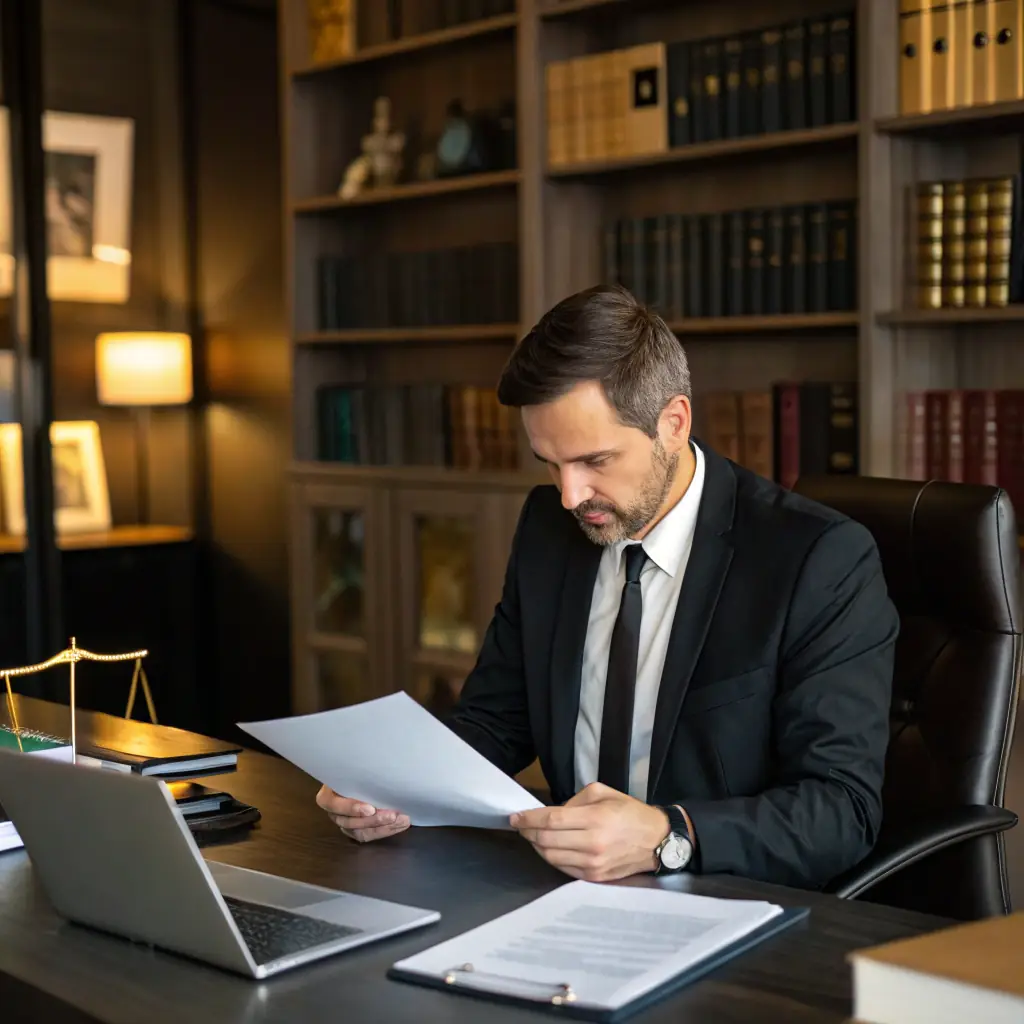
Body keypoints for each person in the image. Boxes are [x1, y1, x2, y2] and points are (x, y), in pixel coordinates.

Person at [316, 284, 898, 890]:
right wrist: (389, 784)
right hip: (565, 890)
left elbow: (842, 811)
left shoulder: (816, 559)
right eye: (550, 462)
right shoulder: (549, 528)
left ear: (673, 423)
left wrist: (667, 837)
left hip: (731, 898)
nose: (570, 496)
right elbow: (496, 721)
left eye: (595, 461)